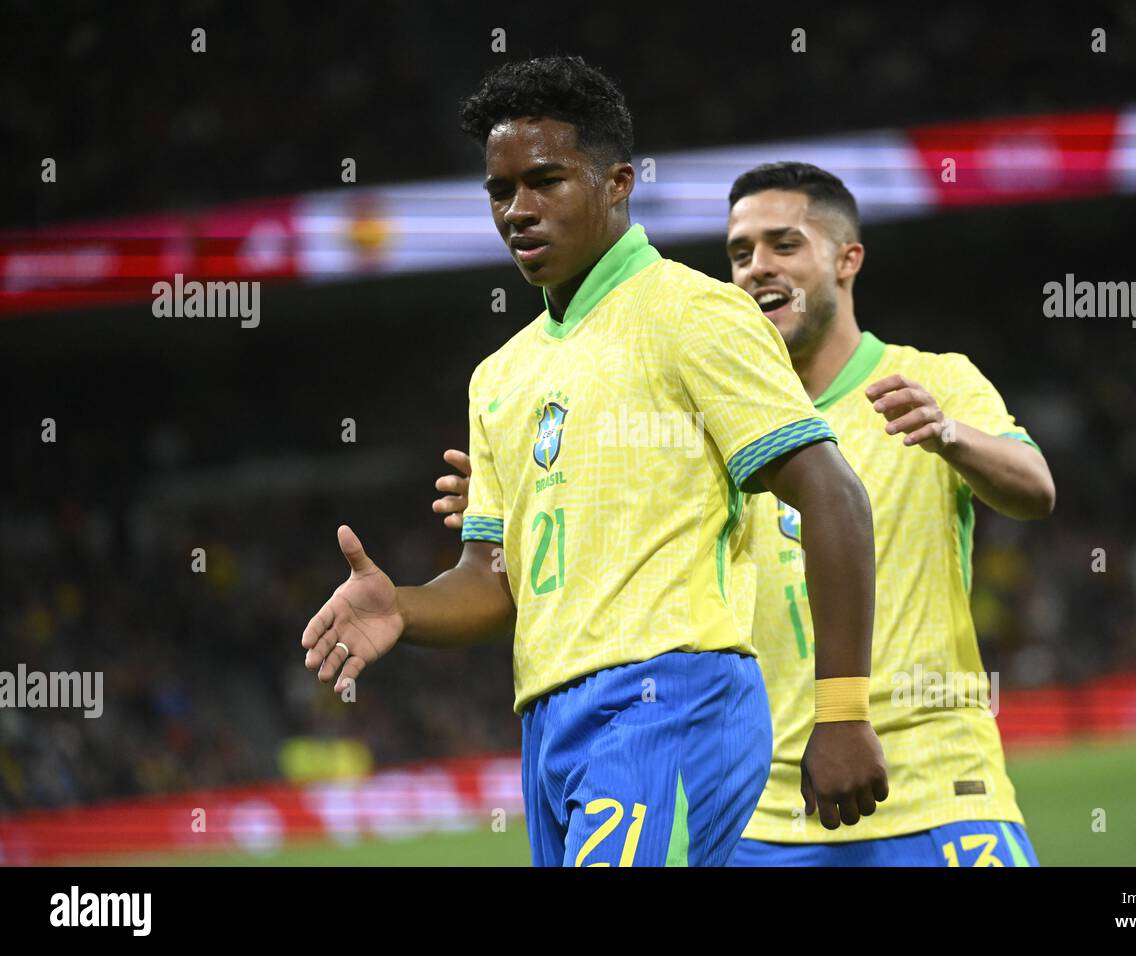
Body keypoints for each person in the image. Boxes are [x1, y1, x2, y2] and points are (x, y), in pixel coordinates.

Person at [304, 60, 888, 867]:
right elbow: (492, 580)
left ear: (616, 183)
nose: (518, 211)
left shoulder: (695, 313)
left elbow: (834, 497)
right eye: (500, 191)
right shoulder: (500, 377)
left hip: (674, 699)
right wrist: (403, 607)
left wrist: (843, 712)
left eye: (545, 182)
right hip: (549, 720)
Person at [437, 161, 1055, 866]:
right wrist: (525, 497)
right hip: (762, 812)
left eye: (783, 245)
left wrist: (951, 435)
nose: (756, 267)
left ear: (846, 258)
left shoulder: (933, 380)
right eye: (739, 252)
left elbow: (1034, 490)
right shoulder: (705, 414)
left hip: (937, 786)